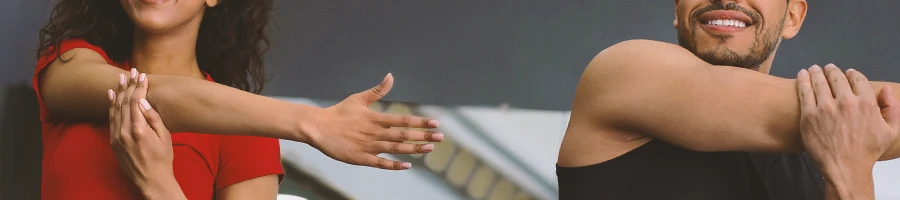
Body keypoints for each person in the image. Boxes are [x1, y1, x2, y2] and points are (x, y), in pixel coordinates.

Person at [34, 0, 443, 199]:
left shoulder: (249, 133)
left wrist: (157, 184)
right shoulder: (70, 65)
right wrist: (311, 123)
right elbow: (155, 95)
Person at [557, 0, 900, 199]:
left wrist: (851, 183)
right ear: (678, 8)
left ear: (792, 17)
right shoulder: (625, 72)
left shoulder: (820, 158)